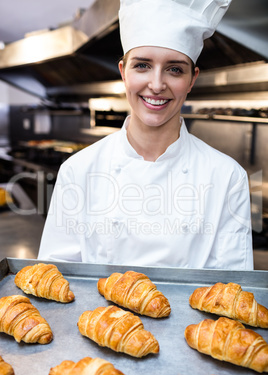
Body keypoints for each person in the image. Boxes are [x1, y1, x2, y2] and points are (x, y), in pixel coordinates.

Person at [38, 0, 253, 270]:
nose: (156, 84)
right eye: (142, 66)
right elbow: (55, 277)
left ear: (192, 80)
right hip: (94, 314)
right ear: (123, 73)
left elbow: (232, 290)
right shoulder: (78, 170)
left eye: (174, 69)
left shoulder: (227, 177)